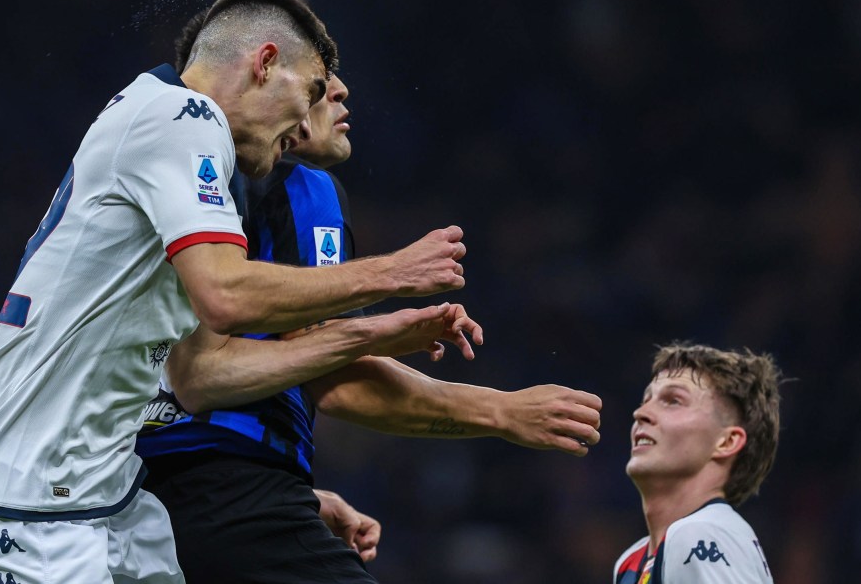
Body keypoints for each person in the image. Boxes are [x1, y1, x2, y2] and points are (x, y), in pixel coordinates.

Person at [0, 0, 477, 584]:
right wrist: (392, 274)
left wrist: (303, 502)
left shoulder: (163, 121)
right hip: (20, 518)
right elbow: (227, 296)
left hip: (102, 508)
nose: (304, 121)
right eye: (311, 91)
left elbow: (193, 367)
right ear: (265, 64)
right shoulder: (179, 119)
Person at [136, 60, 603, 583]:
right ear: (268, 83)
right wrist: (501, 411)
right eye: (321, 77)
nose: (340, 90)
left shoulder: (176, 172)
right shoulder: (302, 184)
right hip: (232, 485)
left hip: (134, 493)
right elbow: (336, 383)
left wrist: (308, 499)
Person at [614, 343, 783, 584]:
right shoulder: (631, 561)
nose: (641, 413)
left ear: (726, 442)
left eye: (673, 401)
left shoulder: (701, 536)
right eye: (646, 400)